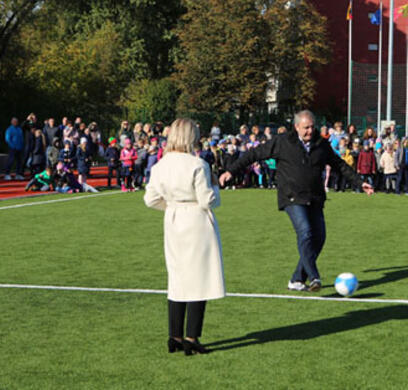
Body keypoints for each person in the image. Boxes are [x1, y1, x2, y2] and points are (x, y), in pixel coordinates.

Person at [219, 110, 374, 292]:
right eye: (306, 128)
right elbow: (254, 154)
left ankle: (297, 279)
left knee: (319, 238)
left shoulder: (321, 144)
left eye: (312, 127)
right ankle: (314, 277)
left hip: (314, 197)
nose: (310, 131)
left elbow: (338, 164)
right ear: (296, 127)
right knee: (305, 232)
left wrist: (359, 182)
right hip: (291, 196)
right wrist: (231, 171)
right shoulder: (282, 142)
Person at [144, 118, 224, 356]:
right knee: (199, 279)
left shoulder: (161, 165)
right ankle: (191, 336)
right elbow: (207, 199)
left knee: (177, 277)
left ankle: (174, 335)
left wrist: (170, 206)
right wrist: (216, 188)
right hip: (196, 220)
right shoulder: (197, 164)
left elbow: (149, 199)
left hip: (174, 218)